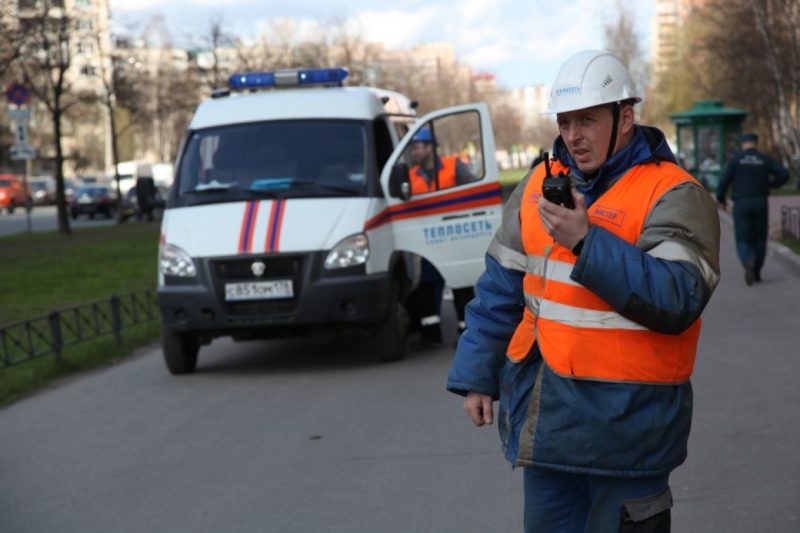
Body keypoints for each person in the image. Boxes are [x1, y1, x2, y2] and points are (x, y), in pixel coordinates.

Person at [446, 49, 721, 532]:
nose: (573, 136)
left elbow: (678, 296)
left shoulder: (676, 194)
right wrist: (477, 375)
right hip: (551, 432)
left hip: (630, 435)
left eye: (587, 121)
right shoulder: (537, 187)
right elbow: (500, 289)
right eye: (565, 121)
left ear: (626, 117)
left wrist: (586, 241)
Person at [407, 127, 478, 349]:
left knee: (461, 285)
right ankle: (430, 334)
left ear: (430, 147)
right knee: (427, 286)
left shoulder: (454, 166)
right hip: (429, 241)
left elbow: (473, 190)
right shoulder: (411, 176)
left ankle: (467, 332)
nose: (414, 153)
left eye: (417, 147)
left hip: (455, 238)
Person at [716, 132, 789, 285]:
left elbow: (723, 182)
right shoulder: (764, 159)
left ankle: (748, 259)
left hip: (741, 203)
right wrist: (771, 184)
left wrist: (721, 200)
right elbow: (783, 174)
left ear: (743, 144)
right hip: (760, 201)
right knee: (760, 237)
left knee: (743, 237)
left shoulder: (736, 161)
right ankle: (756, 272)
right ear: (756, 144)